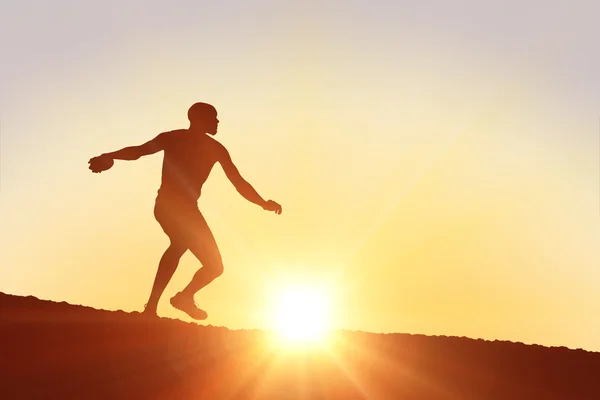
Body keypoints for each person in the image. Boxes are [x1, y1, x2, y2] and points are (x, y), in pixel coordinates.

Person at [88, 102, 282, 320]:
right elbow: (139, 151)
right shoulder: (172, 138)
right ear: (197, 119)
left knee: (213, 266)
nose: (218, 122)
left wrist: (263, 203)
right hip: (169, 205)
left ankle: (180, 298)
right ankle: (157, 305)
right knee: (184, 247)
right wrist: (109, 155)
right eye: (213, 117)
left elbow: (238, 182)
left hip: (186, 209)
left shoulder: (216, 149)